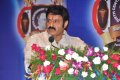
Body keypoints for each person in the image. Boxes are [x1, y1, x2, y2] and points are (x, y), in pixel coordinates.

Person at [24, 5, 86, 77]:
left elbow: (89, 61)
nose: (51, 24)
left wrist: (72, 64)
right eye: (48, 20)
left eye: (55, 21)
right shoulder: (35, 40)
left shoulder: (76, 43)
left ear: (65, 24)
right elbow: (28, 67)